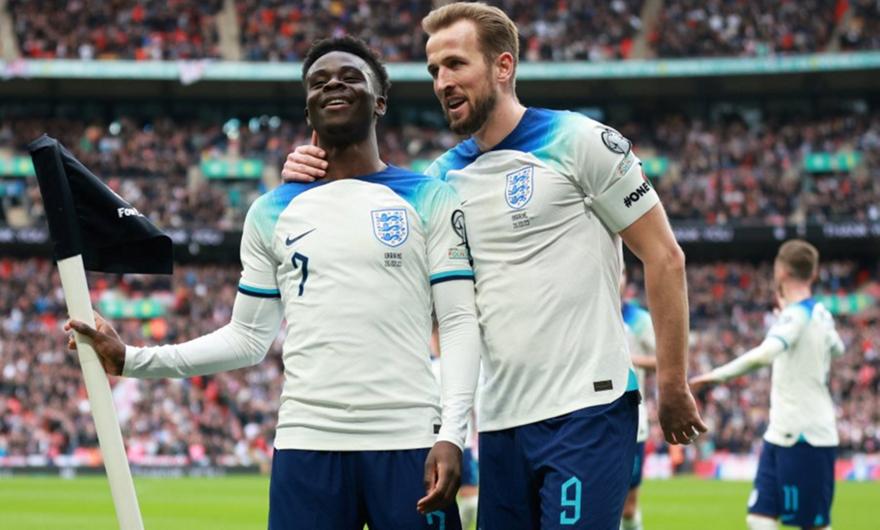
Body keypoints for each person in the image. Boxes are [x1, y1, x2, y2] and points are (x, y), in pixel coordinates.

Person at [281, 3, 706, 529]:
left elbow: (664, 256)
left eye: (456, 64)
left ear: (503, 66)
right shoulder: (440, 181)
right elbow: (373, 248)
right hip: (501, 422)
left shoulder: (579, 141)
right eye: (435, 69)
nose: (442, 82)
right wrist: (311, 178)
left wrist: (673, 381)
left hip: (587, 409)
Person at [65, 36, 482, 530]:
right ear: (308, 110)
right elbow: (247, 338)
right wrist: (132, 359)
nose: (333, 85)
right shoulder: (271, 211)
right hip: (307, 444)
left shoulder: (429, 197)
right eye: (319, 82)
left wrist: (452, 433)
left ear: (380, 102)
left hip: (409, 440)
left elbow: (458, 321)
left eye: (350, 77)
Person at [690, 240, 844, 530]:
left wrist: (717, 375)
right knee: (759, 518)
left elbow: (765, 354)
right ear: (813, 274)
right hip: (779, 434)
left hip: (806, 435)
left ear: (781, 271)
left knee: (814, 526)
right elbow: (838, 349)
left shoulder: (796, 316)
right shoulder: (819, 314)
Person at [620, 269, 657, 530]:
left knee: (628, 508)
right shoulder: (589, 314)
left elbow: (664, 359)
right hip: (591, 415)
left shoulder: (638, 319)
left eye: (623, 272)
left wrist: (625, 359)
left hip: (632, 418)